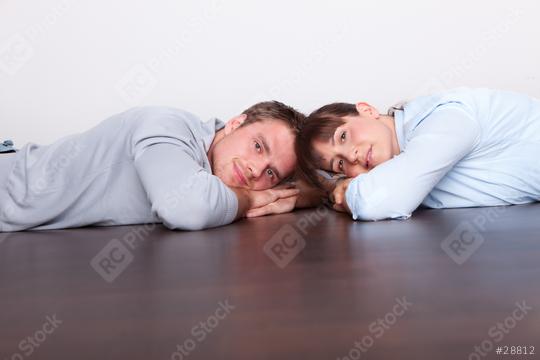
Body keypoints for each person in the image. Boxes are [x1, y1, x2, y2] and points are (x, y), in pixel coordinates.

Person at [0, 102, 321, 232]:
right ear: (236, 123)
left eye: (270, 173)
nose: (255, 169)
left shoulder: (212, 175)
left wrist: (305, 194)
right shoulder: (168, 126)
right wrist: (250, 200)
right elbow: (186, 208)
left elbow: (314, 186)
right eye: (258, 146)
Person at [297, 87, 540, 221]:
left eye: (343, 136)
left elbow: (374, 203)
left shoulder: (444, 117)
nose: (352, 156)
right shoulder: (402, 165)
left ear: (367, 110)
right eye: (339, 164)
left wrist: (340, 194)